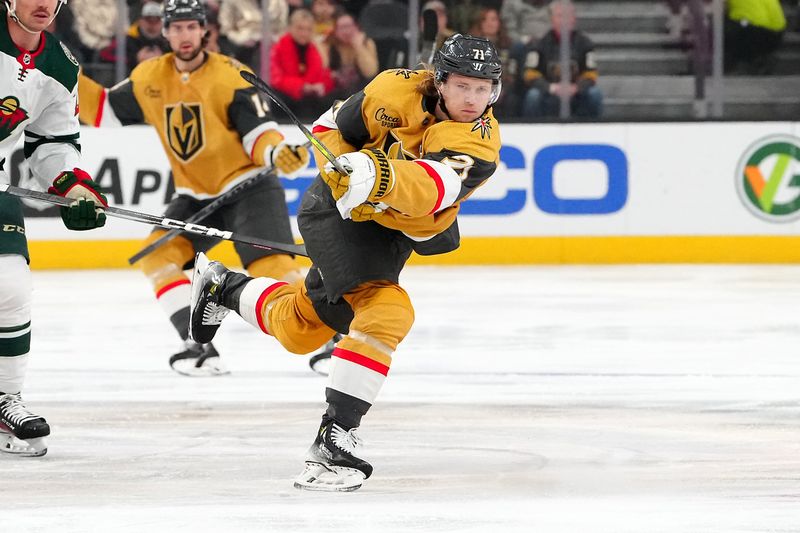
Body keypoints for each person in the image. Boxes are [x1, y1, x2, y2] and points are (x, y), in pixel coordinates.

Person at [187, 33, 503, 491]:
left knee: (302, 328)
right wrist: (345, 164)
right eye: (462, 85)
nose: (473, 98)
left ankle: (224, 288)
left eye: (482, 87)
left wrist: (375, 174)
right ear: (439, 81)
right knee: (387, 310)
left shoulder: (479, 140)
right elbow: (326, 127)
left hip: (390, 232)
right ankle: (334, 441)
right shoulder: (393, 91)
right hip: (334, 213)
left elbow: (431, 185)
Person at [77, 0, 332, 377]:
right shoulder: (150, 76)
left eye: (191, 27)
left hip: (249, 188)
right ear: (164, 32)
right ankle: (198, 347)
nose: (184, 35)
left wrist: (276, 152)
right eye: (176, 28)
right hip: (195, 194)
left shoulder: (230, 74)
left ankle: (331, 337)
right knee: (157, 257)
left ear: (204, 31)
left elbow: (259, 133)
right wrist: (65, 74)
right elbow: (102, 111)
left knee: (273, 268)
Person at [0, 0, 107, 456]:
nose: (43, 3)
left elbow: (54, 142)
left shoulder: (60, 67)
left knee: (10, 285)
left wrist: (74, 188)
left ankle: (3, 398)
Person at [519, 0, 602, 119]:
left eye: (567, 16)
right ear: (552, 20)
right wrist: (551, 88)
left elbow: (591, 73)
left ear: (574, 19)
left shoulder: (585, 44)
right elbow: (529, 73)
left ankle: (591, 130)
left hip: (576, 93)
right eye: (560, 16)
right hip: (549, 93)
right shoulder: (539, 44)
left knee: (594, 94)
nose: (564, 20)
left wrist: (576, 87)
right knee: (533, 96)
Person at [269, 8, 334, 120]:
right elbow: (275, 78)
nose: (304, 33)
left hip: (311, 100)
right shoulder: (278, 48)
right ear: (290, 28)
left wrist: (321, 86)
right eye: (300, 28)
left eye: (308, 29)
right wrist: (301, 86)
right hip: (287, 99)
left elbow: (326, 76)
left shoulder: (317, 49)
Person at [320, 10, 379, 99]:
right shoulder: (328, 45)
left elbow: (370, 72)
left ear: (357, 27)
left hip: (360, 94)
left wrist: (359, 47)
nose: (346, 31)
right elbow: (322, 69)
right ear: (335, 30)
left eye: (349, 26)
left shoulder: (367, 43)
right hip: (335, 95)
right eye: (342, 27)